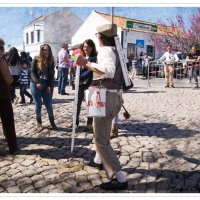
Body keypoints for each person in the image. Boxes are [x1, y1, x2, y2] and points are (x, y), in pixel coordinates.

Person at [75, 24, 128, 190]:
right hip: (114, 98)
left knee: (101, 140)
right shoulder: (117, 51)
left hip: (107, 98)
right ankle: (98, 161)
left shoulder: (106, 51)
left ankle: (120, 178)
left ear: (100, 37)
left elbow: (109, 71)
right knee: (100, 133)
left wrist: (85, 63)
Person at [67, 39, 97, 130]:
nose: (86, 48)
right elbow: (71, 61)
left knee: (90, 103)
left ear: (92, 47)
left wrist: (80, 78)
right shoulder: (80, 56)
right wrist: (71, 68)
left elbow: (90, 71)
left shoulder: (94, 58)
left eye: (88, 46)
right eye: (84, 46)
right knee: (77, 103)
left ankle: (89, 123)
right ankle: (75, 121)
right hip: (80, 83)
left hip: (90, 83)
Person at [30, 44, 57, 131]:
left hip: (45, 84)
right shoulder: (36, 58)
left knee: (49, 104)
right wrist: (37, 82)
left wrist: (50, 85)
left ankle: (52, 122)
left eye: (48, 50)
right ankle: (39, 123)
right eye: (44, 50)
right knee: (38, 105)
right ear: (41, 50)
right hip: (35, 84)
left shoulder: (51, 60)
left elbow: (51, 75)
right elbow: (32, 72)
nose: (46, 52)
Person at [0, 38, 19, 154]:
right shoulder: (1, 61)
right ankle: (13, 147)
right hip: (3, 97)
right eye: (1, 48)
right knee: (8, 123)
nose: (2, 50)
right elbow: (8, 79)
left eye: (3, 47)